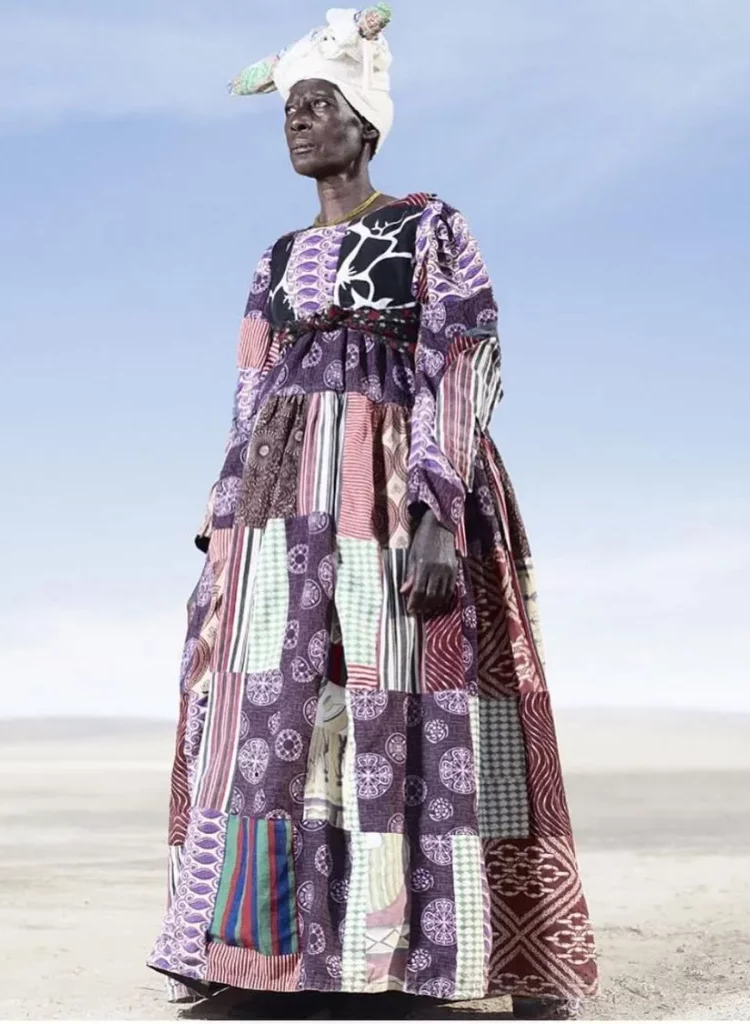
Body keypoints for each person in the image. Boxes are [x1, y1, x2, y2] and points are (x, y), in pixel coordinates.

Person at [148, 6, 598, 1018]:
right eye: (290, 109)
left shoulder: (428, 225)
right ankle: (253, 959)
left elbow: (463, 349)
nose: (298, 122)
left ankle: (422, 958)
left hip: (395, 490)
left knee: (412, 703)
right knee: (265, 716)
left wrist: (438, 504)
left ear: (367, 121)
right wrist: (224, 516)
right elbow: (249, 388)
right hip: (278, 511)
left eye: (320, 106)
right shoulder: (273, 257)